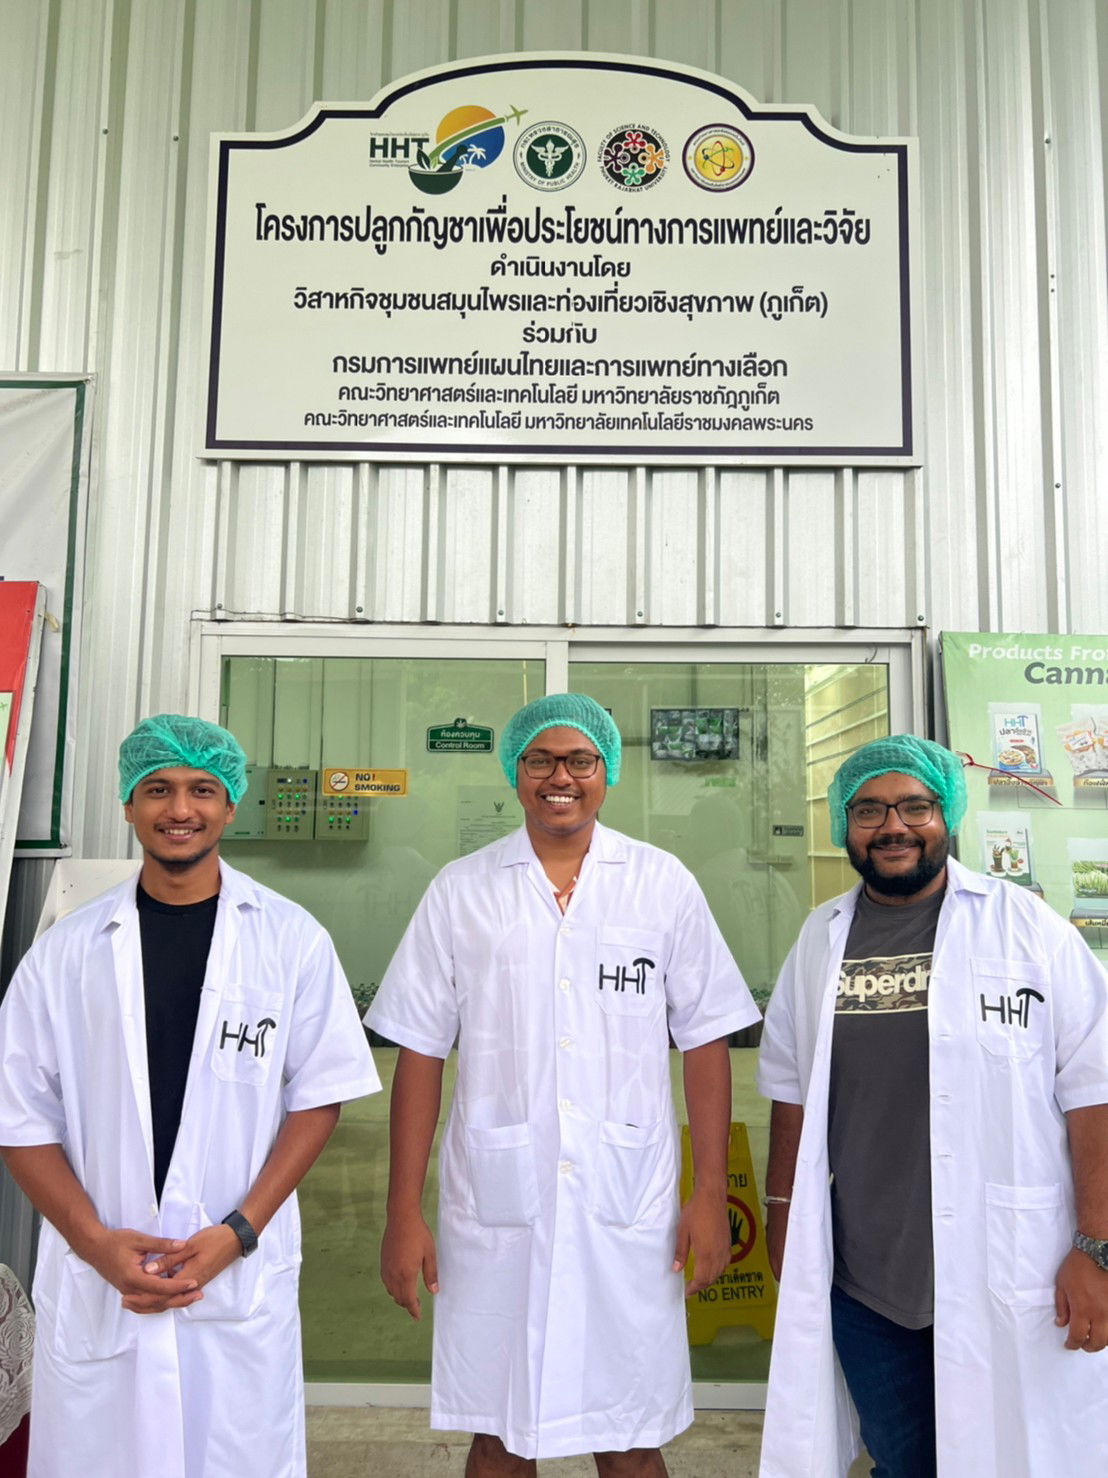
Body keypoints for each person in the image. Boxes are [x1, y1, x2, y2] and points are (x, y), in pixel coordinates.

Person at [367, 693, 759, 1476]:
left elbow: (706, 1040)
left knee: (630, 1435)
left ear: (606, 773)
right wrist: (401, 1211)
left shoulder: (661, 884)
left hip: (629, 1206)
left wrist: (710, 1194)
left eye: (580, 760)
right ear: (514, 773)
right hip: (498, 1206)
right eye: (540, 760)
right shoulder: (462, 889)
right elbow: (420, 1051)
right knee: (498, 1432)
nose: (561, 777)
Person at [0, 715, 380, 1478]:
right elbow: (20, 1121)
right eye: (158, 790)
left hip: (235, 1281)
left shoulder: (291, 940)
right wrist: (96, 1245)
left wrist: (239, 1232)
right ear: (128, 805)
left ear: (231, 804)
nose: (181, 809)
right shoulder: (64, 954)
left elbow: (318, 1099)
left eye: (203, 790)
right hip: (101, 1281)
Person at [756, 734, 1108, 1477]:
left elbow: (1094, 1094)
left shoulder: (1028, 931)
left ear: (947, 815)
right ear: (843, 825)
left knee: (1019, 1459)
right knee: (903, 1462)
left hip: (1009, 1266)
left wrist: (1097, 1246)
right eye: (869, 810)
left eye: (915, 807)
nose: (893, 826)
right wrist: (781, 1214)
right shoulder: (819, 940)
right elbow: (790, 1090)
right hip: (868, 1283)